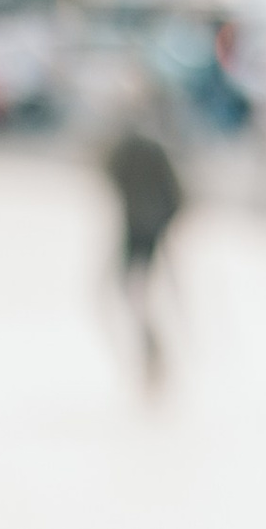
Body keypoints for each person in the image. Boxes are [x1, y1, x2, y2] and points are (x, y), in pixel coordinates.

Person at [99, 94, 185, 389]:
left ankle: (153, 354)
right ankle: (150, 353)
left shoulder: (133, 150)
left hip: (142, 229)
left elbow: (173, 196)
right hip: (143, 227)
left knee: (136, 292)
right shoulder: (137, 149)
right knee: (135, 292)